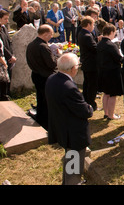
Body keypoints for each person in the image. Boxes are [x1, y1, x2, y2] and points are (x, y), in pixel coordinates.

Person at [46, 53, 93, 185]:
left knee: (70, 159)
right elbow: (84, 111)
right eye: (77, 66)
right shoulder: (69, 87)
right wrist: (89, 108)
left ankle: (67, 181)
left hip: (61, 127)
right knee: (74, 165)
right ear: (72, 68)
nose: (77, 68)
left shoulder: (52, 79)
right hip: (73, 133)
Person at [26, 24, 59, 129]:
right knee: (47, 100)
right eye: (50, 34)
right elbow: (52, 64)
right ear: (45, 34)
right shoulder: (43, 47)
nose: (51, 36)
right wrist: (57, 54)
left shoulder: (31, 44)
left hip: (36, 74)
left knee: (40, 98)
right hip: (45, 77)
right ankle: (47, 122)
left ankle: (40, 117)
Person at [97, 24, 123, 120]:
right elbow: (118, 58)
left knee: (106, 93)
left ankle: (106, 113)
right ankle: (111, 115)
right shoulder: (111, 45)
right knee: (112, 94)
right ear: (111, 32)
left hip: (102, 71)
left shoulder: (99, 44)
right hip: (112, 72)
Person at [78, 16, 99, 111]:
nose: (93, 26)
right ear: (88, 25)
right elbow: (94, 48)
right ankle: (91, 103)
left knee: (87, 83)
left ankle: (86, 100)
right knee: (92, 84)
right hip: (91, 63)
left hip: (86, 62)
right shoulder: (87, 36)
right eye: (93, 24)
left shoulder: (82, 33)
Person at [0, 10, 16, 99]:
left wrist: (12, 55)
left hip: (9, 57)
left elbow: (9, 42)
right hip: (3, 58)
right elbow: (1, 46)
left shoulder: (4, 28)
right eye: (5, 19)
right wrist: (9, 56)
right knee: (3, 79)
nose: (7, 21)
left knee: (8, 77)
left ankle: (7, 93)